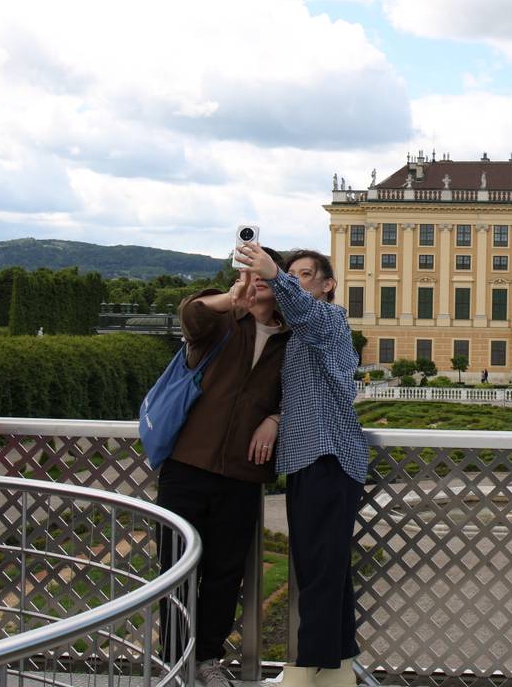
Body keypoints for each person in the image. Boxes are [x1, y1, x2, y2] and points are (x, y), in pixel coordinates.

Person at [235, 244, 369, 687]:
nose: (295, 281)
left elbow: (303, 312)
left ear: (327, 285)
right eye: (292, 274)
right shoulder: (299, 332)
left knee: (319, 570)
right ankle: (337, 669)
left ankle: (300, 671)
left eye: (305, 274)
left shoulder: (328, 319)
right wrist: (276, 418)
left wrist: (274, 272)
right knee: (324, 568)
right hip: (311, 459)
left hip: (328, 457)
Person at [157, 251, 290, 687]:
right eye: (252, 272)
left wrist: (275, 418)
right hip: (188, 464)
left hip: (242, 473)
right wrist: (228, 300)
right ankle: (174, 660)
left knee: (224, 574)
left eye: (269, 272)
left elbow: (305, 394)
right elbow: (190, 314)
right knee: (175, 567)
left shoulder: (291, 340)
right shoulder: (222, 322)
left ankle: (208, 658)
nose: (259, 279)